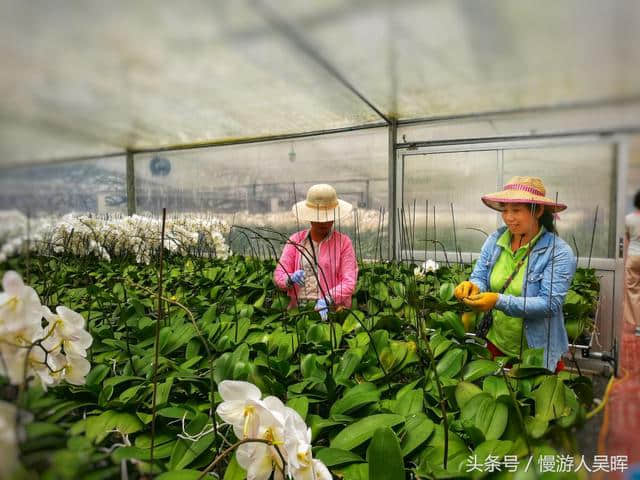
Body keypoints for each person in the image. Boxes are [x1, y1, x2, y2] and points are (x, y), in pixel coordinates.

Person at [454, 176, 577, 372]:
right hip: (496, 343)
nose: (509, 217)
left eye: (517, 210)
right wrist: (473, 287)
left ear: (538, 210)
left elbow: (549, 304)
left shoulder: (559, 252)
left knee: (536, 400)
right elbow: (480, 276)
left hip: (537, 352)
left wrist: (498, 301)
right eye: (505, 210)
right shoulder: (496, 240)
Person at [274, 184, 358, 320]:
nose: (323, 222)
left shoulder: (343, 243)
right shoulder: (296, 240)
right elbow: (279, 275)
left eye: (327, 217)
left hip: (330, 310)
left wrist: (328, 298)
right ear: (310, 216)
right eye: (318, 217)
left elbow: (349, 281)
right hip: (298, 310)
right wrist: (289, 280)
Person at [624, 189, 640, 334]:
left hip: (634, 256)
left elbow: (627, 237)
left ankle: (638, 325)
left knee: (633, 289)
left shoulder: (629, 218)